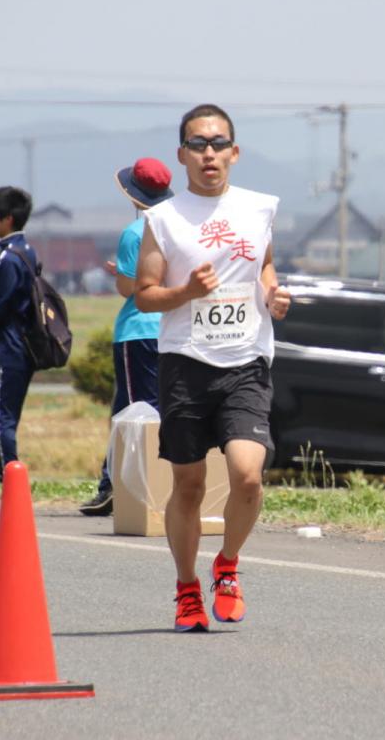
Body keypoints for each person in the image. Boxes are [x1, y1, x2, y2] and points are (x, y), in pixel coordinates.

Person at [135, 104, 291, 632]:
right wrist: (186, 291)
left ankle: (227, 564)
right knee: (189, 485)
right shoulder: (163, 220)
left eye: (218, 143)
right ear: (182, 154)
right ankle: (186, 588)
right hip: (185, 361)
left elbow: (265, 266)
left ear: (235, 152)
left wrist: (273, 295)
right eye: (198, 144)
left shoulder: (259, 208)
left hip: (246, 360)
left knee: (247, 476)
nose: (209, 153)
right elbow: (145, 294)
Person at [79, 158, 172, 516]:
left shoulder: (135, 233)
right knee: (161, 409)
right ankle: (140, 482)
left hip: (139, 330)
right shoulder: (181, 225)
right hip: (174, 328)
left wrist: (121, 273)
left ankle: (121, 487)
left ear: (133, 194)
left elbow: (127, 288)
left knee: (132, 412)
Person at [0, 186, 38, 482]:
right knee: (2, 414)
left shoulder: (8, 257)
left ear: (8, 219)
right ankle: (0, 472)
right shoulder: (27, 251)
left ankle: (7, 477)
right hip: (23, 346)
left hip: (9, 346)